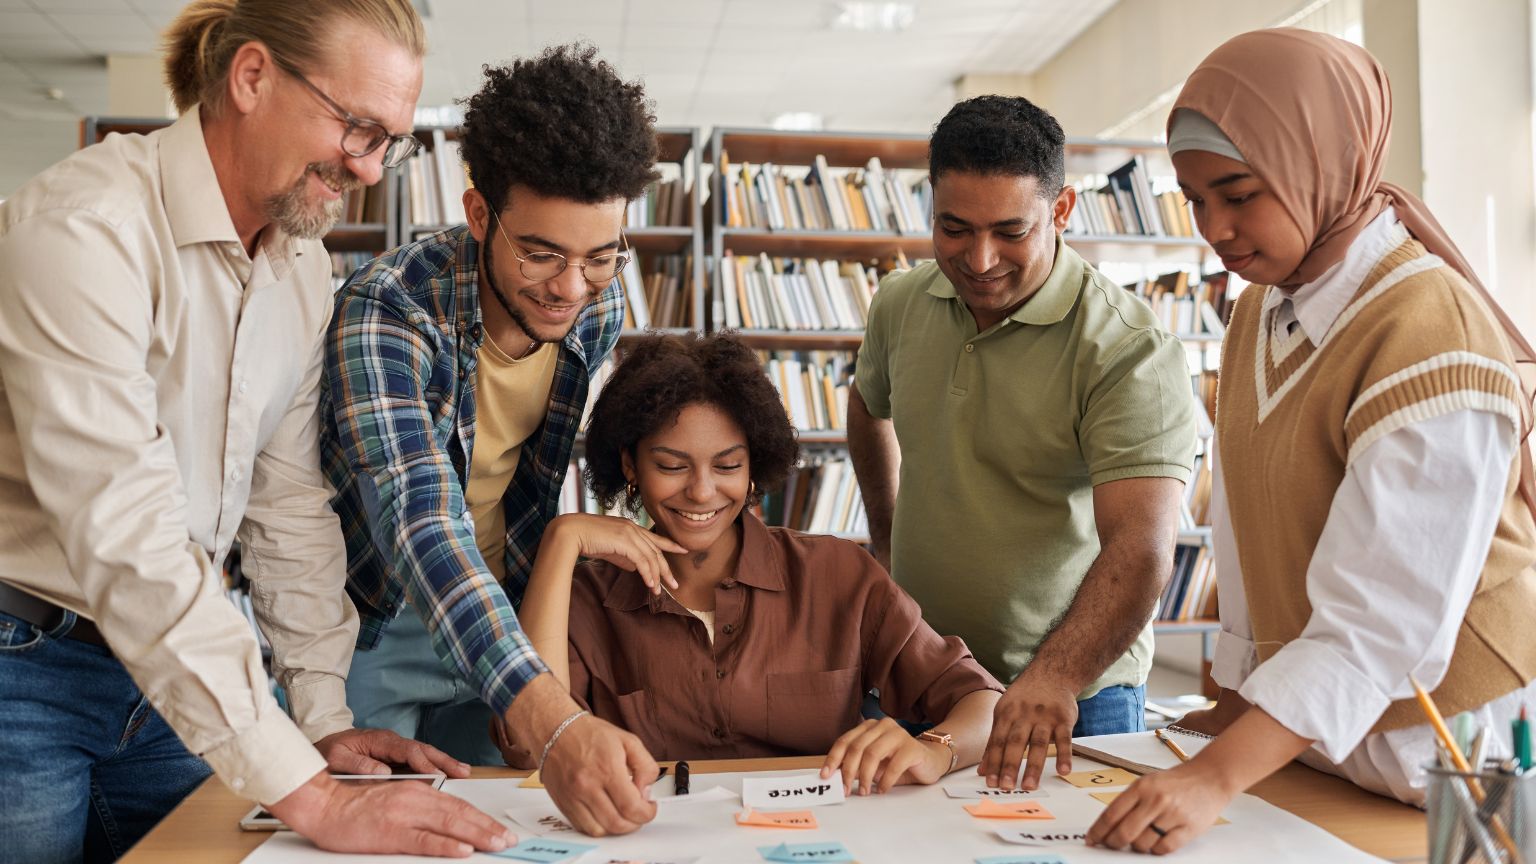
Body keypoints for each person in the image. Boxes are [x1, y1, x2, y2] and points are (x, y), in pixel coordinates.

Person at [0, 1, 519, 861]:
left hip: (168, 677)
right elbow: (127, 538)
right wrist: (312, 795)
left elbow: (286, 508)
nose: (369, 169)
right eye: (357, 127)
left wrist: (322, 723)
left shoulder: (301, 268)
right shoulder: (83, 234)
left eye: (389, 141)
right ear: (250, 78)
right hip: (23, 666)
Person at [1087, 29, 1536, 855]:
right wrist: (1228, 708)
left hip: (1450, 756)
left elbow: (1386, 616)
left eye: (1240, 192)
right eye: (1194, 199)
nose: (1214, 228)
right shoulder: (1260, 306)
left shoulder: (1429, 328)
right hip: (1314, 745)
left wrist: (1218, 774)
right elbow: (1252, 530)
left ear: (1320, 164)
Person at [321, 44, 661, 836]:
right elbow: (418, 515)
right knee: (372, 837)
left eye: (600, 257)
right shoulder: (388, 312)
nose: (570, 289)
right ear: (480, 216)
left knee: (498, 832)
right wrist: (549, 710)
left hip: (497, 611)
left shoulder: (595, 307)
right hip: (377, 616)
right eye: (541, 252)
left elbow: (533, 481)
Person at [846, 95, 1199, 792]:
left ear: (1062, 211)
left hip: (1074, 696)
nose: (979, 260)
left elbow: (1142, 546)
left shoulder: (1127, 349)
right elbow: (867, 406)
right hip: (924, 674)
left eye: (1011, 231)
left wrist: (1054, 677)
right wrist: (884, 535)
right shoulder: (899, 304)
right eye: (955, 228)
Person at [510, 333, 1004, 793]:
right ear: (629, 466)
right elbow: (527, 748)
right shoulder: (585, 597)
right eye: (671, 465)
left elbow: (983, 700)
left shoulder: (836, 574)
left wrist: (935, 749)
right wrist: (561, 539)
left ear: (753, 469)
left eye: (727, 466)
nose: (702, 491)